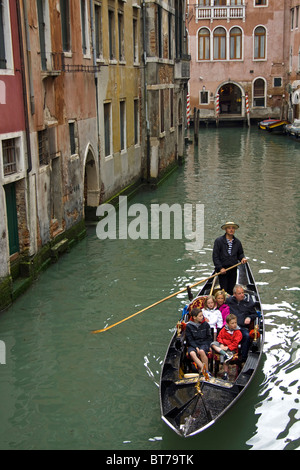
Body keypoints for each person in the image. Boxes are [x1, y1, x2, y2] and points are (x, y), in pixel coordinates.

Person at [212, 222, 247, 295]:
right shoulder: (219, 241)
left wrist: (242, 258)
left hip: (233, 269)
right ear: (225, 230)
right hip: (222, 270)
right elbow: (215, 256)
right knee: (224, 290)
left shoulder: (237, 242)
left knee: (231, 290)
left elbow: (240, 254)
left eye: (233, 228)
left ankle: (230, 304)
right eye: (229, 228)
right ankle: (224, 304)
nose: (231, 230)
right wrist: (220, 268)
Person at [226, 284, 257, 361]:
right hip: (230, 326)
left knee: (246, 336)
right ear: (234, 294)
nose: (242, 295)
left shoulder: (249, 302)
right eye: (239, 293)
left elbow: (255, 314)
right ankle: (226, 355)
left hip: (242, 327)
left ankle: (243, 357)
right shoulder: (229, 301)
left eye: (242, 293)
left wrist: (249, 317)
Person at [211, 313, 242, 380]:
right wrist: (221, 344)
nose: (234, 325)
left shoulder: (238, 332)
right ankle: (224, 353)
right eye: (232, 323)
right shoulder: (224, 330)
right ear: (228, 324)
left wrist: (227, 347)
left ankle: (225, 372)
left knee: (226, 358)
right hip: (222, 347)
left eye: (235, 323)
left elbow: (235, 343)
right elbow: (219, 337)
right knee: (213, 344)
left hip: (231, 349)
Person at [185, 308, 212, 375]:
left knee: (201, 351)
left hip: (204, 343)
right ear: (194, 317)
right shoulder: (189, 326)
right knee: (192, 353)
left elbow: (209, 337)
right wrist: (196, 346)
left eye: (202, 315)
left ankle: (206, 371)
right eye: (200, 316)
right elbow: (190, 339)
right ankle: (205, 371)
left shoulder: (206, 325)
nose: (202, 317)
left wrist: (208, 345)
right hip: (193, 344)